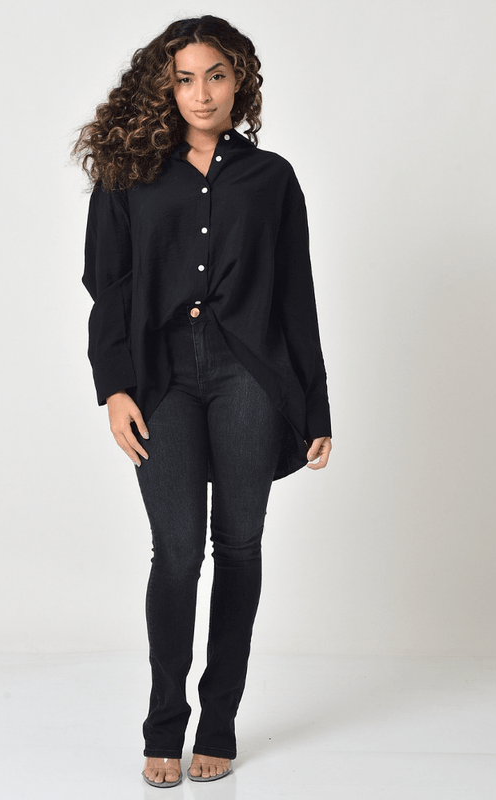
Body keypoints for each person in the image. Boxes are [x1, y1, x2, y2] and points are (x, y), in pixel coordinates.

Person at [74, 15, 332, 787]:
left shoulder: (272, 178)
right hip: (162, 375)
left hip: (248, 372)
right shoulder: (129, 173)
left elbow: (295, 296)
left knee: (240, 545)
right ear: (165, 87)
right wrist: (114, 388)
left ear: (238, 79)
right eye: (184, 78)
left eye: (215, 75)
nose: (201, 93)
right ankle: (164, 725)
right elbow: (107, 288)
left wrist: (315, 405)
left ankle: (219, 720)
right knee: (178, 551)